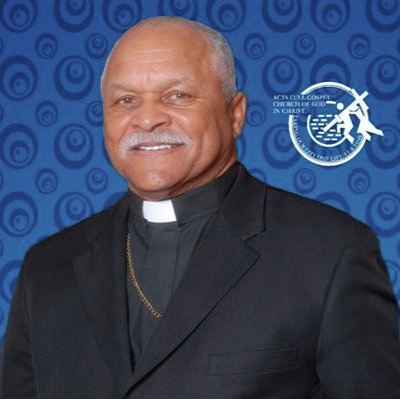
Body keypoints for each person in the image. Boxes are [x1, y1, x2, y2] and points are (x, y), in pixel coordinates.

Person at [0, 16, 399, 398]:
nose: (148, 119)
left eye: (177, 96)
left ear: (235, 114)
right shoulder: (47, 266)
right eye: (126, 100)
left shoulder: (330, 253)